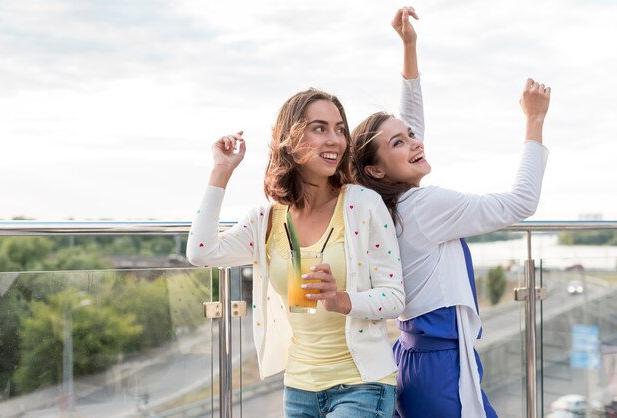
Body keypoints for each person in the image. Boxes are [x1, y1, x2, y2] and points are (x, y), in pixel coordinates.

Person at [186, 22, 412, 414]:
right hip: (299, 388)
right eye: (319, 128)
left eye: (339, 130)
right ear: (291, 139)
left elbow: (394, 298)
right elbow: (201, 253)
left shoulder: (362, 205)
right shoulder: (267, 220)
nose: (335, 140)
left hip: (363, 384)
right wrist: (221, 171)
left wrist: (341, 299)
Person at [350, 10, 551, 418]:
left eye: (411, 136)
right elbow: (521, 203)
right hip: (440, 367)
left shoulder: (384, 203)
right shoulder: (424, 206)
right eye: (400, 143)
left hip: (416, 357)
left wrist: (409, 47)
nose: (414, 142)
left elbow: (405, 132)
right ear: (376, 168)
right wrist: (534, 121)